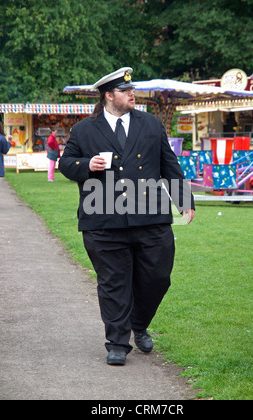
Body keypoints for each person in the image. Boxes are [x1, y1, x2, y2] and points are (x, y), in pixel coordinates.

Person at [59, 67, 195, 366]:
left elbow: (169, 163)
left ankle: (139, 323)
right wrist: (86, 165)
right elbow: (66, 164)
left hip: (151, 216)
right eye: (125, 91)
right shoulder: (84, 129)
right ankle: (117, 342)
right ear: (109, 95)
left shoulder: (151, 124)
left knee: (157, 278)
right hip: (103, 218)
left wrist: (184, 201)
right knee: (113, 282)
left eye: (132, 90)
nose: (132, 94)